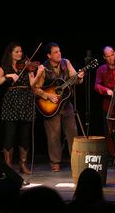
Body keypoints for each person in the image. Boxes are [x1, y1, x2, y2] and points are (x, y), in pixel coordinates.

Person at [0, 42, 45, 174]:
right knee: (10, 134)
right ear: (10, 53)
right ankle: (8, 165)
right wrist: (8, 76)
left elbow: (33, 84)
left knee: (25, 135)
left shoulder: (28, 67)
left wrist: (38, 73)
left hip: (26, 101)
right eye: (16, 51)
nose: (20, 54)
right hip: (11, 102)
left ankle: (23, 164)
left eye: (21, 51)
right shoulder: (4, 67)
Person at [35, 42, 84, 172]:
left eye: (59, 51)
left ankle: (75, 160)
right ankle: (55, 162)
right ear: (49, 55)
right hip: (50, 105)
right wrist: (48, 96)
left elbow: (75, 79)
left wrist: (79, 77)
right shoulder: (43, 68)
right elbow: (35, 89)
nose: (59, 54)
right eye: (55, 52)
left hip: (66, 104)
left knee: (73, 133)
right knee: (53, 136)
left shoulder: (66, 63)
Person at [94, 46, 115, 136]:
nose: (110, 58)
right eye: (107, 56)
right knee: (108, 131)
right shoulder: (101, 69)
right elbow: (96, 85)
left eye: (111, 55)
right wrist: (106, 90)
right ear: (104, 57)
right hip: (108, 105)